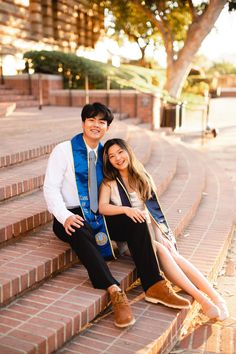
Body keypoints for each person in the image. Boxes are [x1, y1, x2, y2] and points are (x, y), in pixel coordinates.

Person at [43, 102, 192, 329]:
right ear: (83, 122)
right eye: (91, 120)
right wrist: (64, 216)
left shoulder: (106, 154)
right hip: (71, 213)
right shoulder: (64, 150)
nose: (96, 125)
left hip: (99, 214)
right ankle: (113, 289)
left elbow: (123, 182)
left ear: (107, 127)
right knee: (80, 228)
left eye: (101, 122)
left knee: (136, 220)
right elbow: (50, 188)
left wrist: (134, 209)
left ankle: (154, 285)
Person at [99, 138, 229, 321]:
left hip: (149, 230)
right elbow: (102, 207)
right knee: (161, 251)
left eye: (120, 152)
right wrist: (126, 210)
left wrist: (161, 236)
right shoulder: (109, 182)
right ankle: (203, 300)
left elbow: (152, 211)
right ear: (108, 161)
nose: (117, 158)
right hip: (131, 238)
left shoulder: (143, 176)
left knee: (170, 252)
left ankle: (216, 297)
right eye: (112, 156)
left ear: (128, 151)